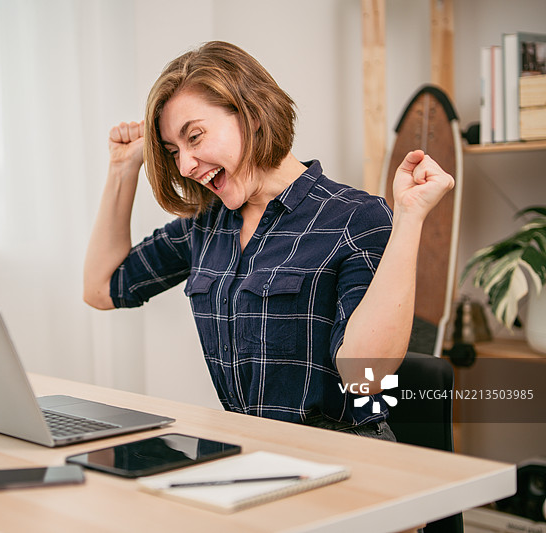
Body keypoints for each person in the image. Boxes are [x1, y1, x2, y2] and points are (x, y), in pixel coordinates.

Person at [83, 41, 454, 441]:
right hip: (251, 450)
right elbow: (102, 288)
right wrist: (122, 169)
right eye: (174, 152)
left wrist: (409, 218)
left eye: (195, 137)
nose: (186, 166)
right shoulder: (206, 225)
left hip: (342, 452)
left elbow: (365, 375)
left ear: (253, 115)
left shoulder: (355, 217)